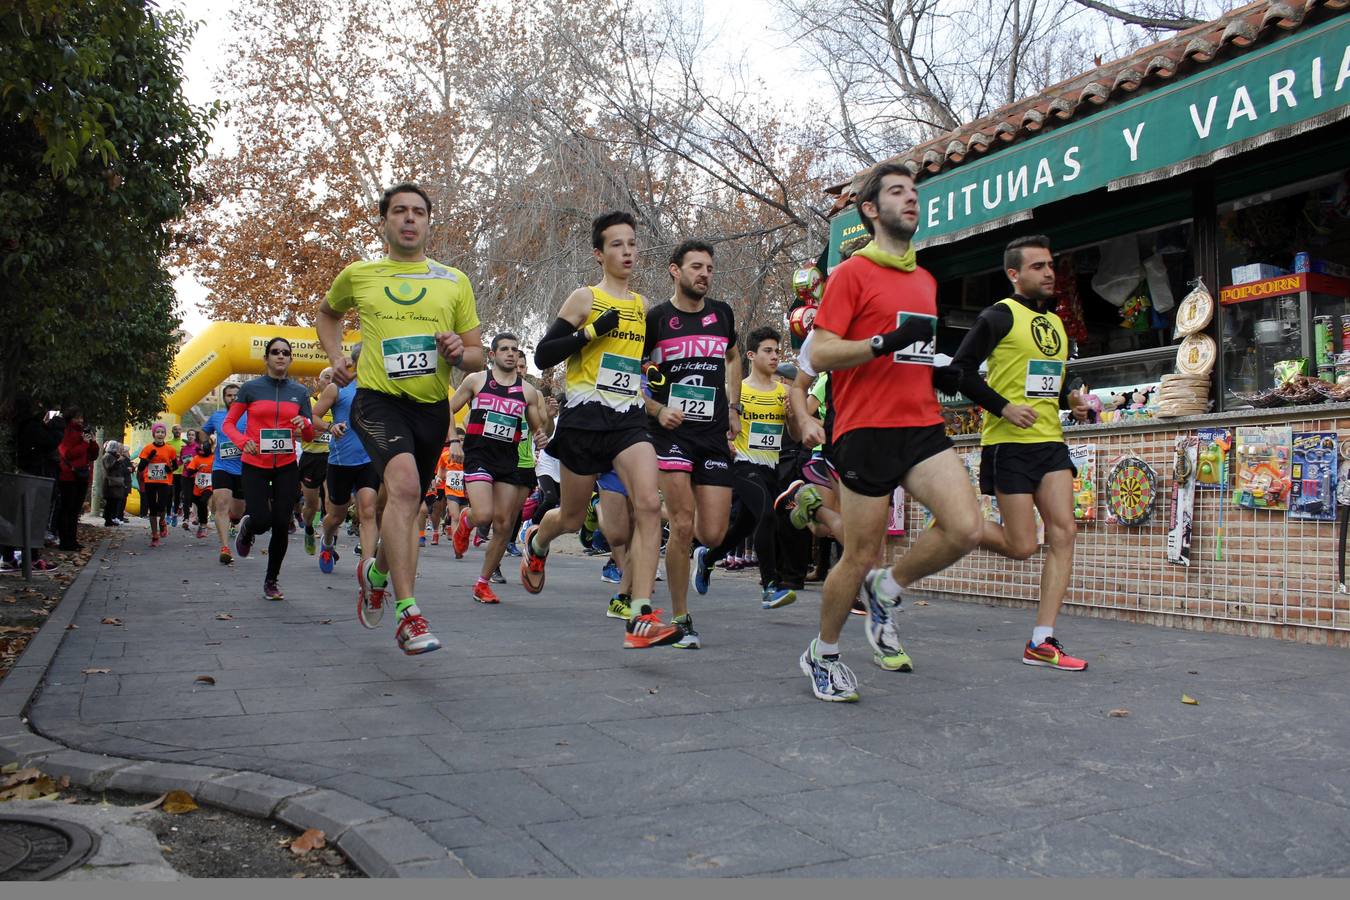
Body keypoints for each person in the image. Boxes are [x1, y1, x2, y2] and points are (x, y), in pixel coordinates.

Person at [798, 162, 977, 702]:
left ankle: (889, 587)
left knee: (965, 528)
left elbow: (914, 352)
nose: (912, 199)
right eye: (898, 192)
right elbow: (822, 351)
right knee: (859, 553)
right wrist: (880, 344)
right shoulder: (850, 273)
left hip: (921, 423)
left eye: (915, 192)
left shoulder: (925, 279)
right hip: (864, 429)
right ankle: (822, 654)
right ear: (871, 209)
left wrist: (941, 365)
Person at [317, 181, 485, 655]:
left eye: (418, 212)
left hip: (430, 408)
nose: (409, 219)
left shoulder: (454, 281)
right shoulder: (360, 274)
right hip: (377, 400)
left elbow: (475, 357)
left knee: (402, 504)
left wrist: (459, 350)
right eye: (400, 211)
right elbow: (327, 315)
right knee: (408, 490)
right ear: (385, 221)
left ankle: (376, 573)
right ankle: (408, 612)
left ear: (429, 222)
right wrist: (336, 357)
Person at [524, 211, 678, 649]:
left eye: (632, 243)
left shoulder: (644, 306)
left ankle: (641, 612)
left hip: (628, 416)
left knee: (648, 503)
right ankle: (539, 541)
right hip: (585, 417)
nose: (627, 251)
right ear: (599, 253)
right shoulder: (584, 298)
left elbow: (642, 360)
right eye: (617, 244)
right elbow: (543, 356)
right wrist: (591, 331)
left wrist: (654, 371)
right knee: (571, 517)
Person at [952, 234, 1092, 670]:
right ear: (1014, 274)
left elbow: (1053, 375)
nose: (1049, 272)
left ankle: (1042, 639)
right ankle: (960, 524)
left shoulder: (1056, 323)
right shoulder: (998, 316)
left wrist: (1072, 396)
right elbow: (959, 372)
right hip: (1008, 444)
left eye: (1050, 265)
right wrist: (1004, 407)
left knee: (1064, 532)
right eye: (1038, 267)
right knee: (1022, 545)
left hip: (1050, 442)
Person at [641, 240, 738, 649]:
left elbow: (733, 357)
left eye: (709, 268)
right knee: (681, 524)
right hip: (672, 435)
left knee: (712, 534)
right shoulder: (657, 320)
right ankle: (681, 618)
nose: (704, 274)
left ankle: (695, 552)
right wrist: (656, 410)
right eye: (696, 267)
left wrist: (733, 406)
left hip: (713, 434)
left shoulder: (722, 314)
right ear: (674, 271)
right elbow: (632, 376)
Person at [693, 326, 798, 610]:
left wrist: (792, 417)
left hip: (771, 468)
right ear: (751, 355)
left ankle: (708, 559)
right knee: (767, 516)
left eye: (777, 350)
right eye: (768, 351)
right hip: (742, 464)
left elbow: (796, 435)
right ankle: (770, 586)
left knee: (742, 529)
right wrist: (723, 442)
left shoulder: (784, 392)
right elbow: (715, 425)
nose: (775, 356)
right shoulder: (736, 391)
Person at [448, 333, 546, 602]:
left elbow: (540, 427)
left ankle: (482, 583)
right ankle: (466, 521)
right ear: (492, 355)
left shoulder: (527, 391)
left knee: (503, 525)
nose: (511, 354)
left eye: (515, 349)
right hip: (479, 455)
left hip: (508, 460)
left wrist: (541, 435)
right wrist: (454, 440)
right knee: (484, 515)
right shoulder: (476, 381)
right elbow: (447, 408)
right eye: (504, 349)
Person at [223, 336, 316, 600]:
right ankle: (249, 527)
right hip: (255, 464)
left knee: (281, 522)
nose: (280, 356)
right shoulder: (251, 389)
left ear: (290, 358)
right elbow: (230, 423)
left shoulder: (299, 392)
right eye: (275, 352)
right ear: (266, 358)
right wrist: (244, 442)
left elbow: (308, 435)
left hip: (286, 464)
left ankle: (271, 580)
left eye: (285, 352)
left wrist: (304, 425)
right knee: (262, 520)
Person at [312, 343, 382, 586]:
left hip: (370, 460)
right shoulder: (337, 388)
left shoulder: (383, 388)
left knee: (368, 511)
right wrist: (331, 427)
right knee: (336, 516)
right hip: (341, 461)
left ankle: (367, 565)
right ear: (356, 361)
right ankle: (327, 541)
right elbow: (314, 417)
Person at [201, 383, 247, 565]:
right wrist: (205, 442)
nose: (233, 398)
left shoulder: (249, 416)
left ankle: (236, 523)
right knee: (221, 505)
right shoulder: (217, 416)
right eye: (229, 395)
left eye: (236, 395)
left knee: (238, 511)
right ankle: (225, 548)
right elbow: (204, 432)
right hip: (222, 467)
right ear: (224, 398)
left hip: (244, 468)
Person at [300, 367, 335, 555]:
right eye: (326, 378)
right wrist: (311, 432)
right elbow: (297, 432)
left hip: (333, 458)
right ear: (318, 382)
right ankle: (308, 528)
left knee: (331, 502)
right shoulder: (309, 404)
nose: (330, 382)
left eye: (333, 379)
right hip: (311, 458)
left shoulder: (340, 404)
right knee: (312, 505)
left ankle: (329, 543)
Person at [56, 409, 98, 551]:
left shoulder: (83, 433)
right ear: (70, 418)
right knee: (67, 509)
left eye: (81, 418)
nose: (80, 421)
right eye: (76, 418)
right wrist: (84, 444)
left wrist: (92, 442)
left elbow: (93, 455)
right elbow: (67, 454)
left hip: (82, 475)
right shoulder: (66, 432)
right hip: (68, 476)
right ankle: (64, 541)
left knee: (75, 510)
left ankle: (72, 540)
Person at [137, 423, 179, 549]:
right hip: (150, 481)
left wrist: (169, 468)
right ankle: (155, 535)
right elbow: (140, 468)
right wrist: (148, 458)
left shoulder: (170, 449)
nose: (160, 434)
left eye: (162, 432)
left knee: (162, 505)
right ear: (154, 434)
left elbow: (175, 466)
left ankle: (162, 522)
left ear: (165, 434)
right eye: (158, 432)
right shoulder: (147, 448)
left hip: (164, 481)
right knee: (152, 508)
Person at [184, 438, 215, 540]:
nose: (202, 451)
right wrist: (197, 468)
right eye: (201, 449)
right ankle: (201, 524)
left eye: (204, 449)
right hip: (197, 487)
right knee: (199, 503)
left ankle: (203, 526)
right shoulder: (196, 458)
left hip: (209, 486)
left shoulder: (213, 458)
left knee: (203, 502)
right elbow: (189, 473)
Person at [101, 441, 130, 527]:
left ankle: (110, 519)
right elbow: (109, 467)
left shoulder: (113, 456)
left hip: (115, 482)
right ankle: (108, 519)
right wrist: (118, 461)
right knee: (110, 502)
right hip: (110, 482)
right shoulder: (108, 456)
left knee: (114, 502)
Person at [176, 429, 200, 529]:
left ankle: (197, 517)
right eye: (189, 435)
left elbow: (202, 459)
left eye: (192, 435)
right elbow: (180, 462)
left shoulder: (198, 448)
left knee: (196, 498)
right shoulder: (184, 449)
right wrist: (172, 464)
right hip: (185, 475)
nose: (190, 436)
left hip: (196, 476)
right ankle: (186, 519)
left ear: (195, 437)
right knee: (186, 498)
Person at [165, 424, 185, 527]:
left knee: (177, 496)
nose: (177, 431)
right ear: (172, 431)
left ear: (181, 431)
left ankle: (175, 515)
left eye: (179, 429)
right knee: (168, 494)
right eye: (175, 429)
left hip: (181, 473)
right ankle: (168, 514)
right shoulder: (168, 443)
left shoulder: (184, 444)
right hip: (171, 473)